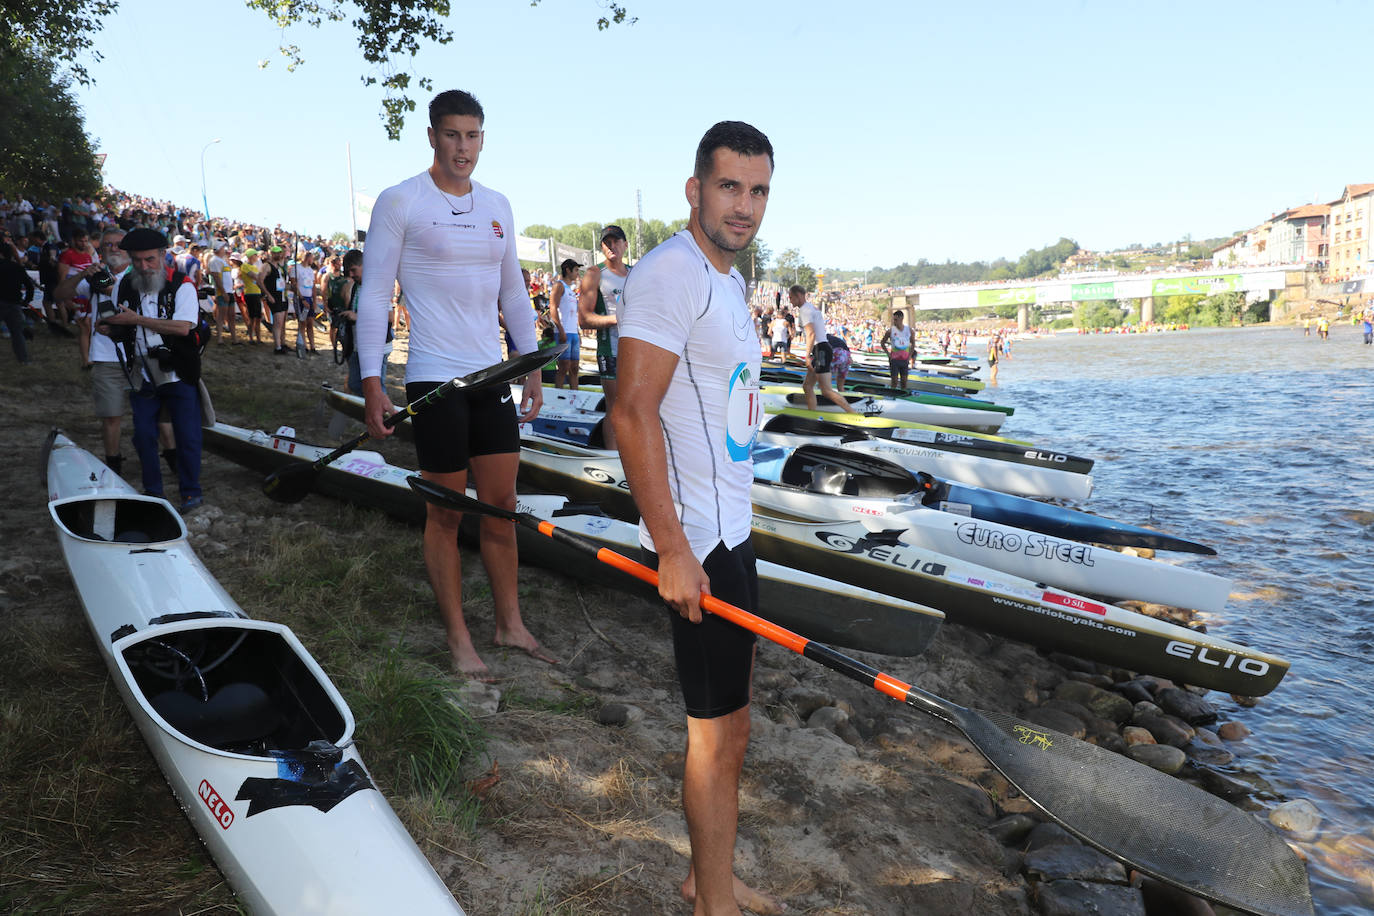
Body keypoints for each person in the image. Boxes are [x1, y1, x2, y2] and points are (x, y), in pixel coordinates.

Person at [610, 120, 782, 916]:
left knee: (734, 725)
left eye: (757, 191)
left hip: (733, 532)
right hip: (700, 546)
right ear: (694, 189)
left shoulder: (731, 281)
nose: (744, 206)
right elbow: (632, 412)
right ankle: (712, 902)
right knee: (714, 734)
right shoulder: (671, 272)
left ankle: (706, 874)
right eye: (729, 187)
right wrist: (672, 549)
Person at [356, 88, 553, 680]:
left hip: (491, 375)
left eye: (472, 135)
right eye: (452, 135)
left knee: (501, 507)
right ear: (432, 136)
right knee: (445, 513)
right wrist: (373, 380)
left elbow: (513, 293)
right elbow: (375, 294)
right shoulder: (401, 200)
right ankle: (458, 637)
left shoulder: (497, 205)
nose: (463, 147)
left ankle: (509, 624)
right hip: (435, 377)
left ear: (482, 138)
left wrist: (531, 364)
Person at [98, 228, 204, 512]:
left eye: (149, 260)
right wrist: (110, 328)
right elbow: (121, 323)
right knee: (143, 435)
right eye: (137, 261)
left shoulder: (183, 286)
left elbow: (183, 327)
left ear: (163, 255)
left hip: (178, 371)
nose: (143, 267)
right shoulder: (124, 284)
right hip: (141, 372)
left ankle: (191, 492)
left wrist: (137, 320)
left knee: (187, 435)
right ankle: (154, 493)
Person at [578, 224, 630, 449]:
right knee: (616, 407)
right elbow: (584, 319)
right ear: (602, 247)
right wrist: (616, 320)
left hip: (634, 349)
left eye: (616, 241)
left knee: (637, 406)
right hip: (611, 349)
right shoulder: (595, 274)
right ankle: (612, 457)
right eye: (606, 243)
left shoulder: (636, 273)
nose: (612, 246)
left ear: (625, 245)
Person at [793, 284, 855, 413]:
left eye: (791, 297)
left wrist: (807, 356)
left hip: (820, 350)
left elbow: (811, 334)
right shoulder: (811, 307)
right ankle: (812, 414)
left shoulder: (805, 310)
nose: (790, 300)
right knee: (808, 386)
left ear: (798, 296)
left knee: (826, 390)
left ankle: (853, 413)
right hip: (823, 348)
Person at [0, 238, 36, 364]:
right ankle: (24, 359)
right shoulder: (18, 268)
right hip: (14, 304)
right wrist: (27, 300)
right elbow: (30, 286)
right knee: (17, 334)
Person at [549, 258, 580, 389]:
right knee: (563, 367)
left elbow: (573, 313)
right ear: (568, 270)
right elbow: (552, 308)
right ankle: (558, 395)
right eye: (576, 270)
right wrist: (560, 329)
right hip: (564, 332)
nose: (578, 273)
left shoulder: (571, 289)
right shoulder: (559, 285)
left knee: (575, 368)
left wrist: (578, 333)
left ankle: (575, 396)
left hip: (573, 333)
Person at [260, 245, 289, 353]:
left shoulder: (280, 267)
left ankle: (282, 343)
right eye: (276, 253)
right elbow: (260, 280)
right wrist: (268, 294)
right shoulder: (266, 266)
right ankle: (277, 347)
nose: (279, 255)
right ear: (272, 254)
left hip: (282, 296)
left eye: (280, 253)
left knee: (282, 322)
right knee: (277, 322)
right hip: (274, 296)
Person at [880, 309, 912, 390]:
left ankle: (903, 398)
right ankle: (893, 396)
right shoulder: (890, 331)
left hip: (905, 360)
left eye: (896, 320)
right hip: (894, 360)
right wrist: (888, 354)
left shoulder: (909, 330)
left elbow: (913, 343)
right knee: (894, 382)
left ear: (901, 319)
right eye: (893, 319)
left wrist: (910, 356)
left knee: (904, 382)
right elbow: (882, 342)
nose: (894, 321)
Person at [240, 248, 265, 343]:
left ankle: (258, 338)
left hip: (257, 293)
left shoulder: (254, 267)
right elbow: (254, 276)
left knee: (258, 317)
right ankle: (251, 337)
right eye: (255, 255)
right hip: (250, 293)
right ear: (251, 256)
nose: (257, 257)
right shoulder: (245, 266)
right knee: (251, 317)